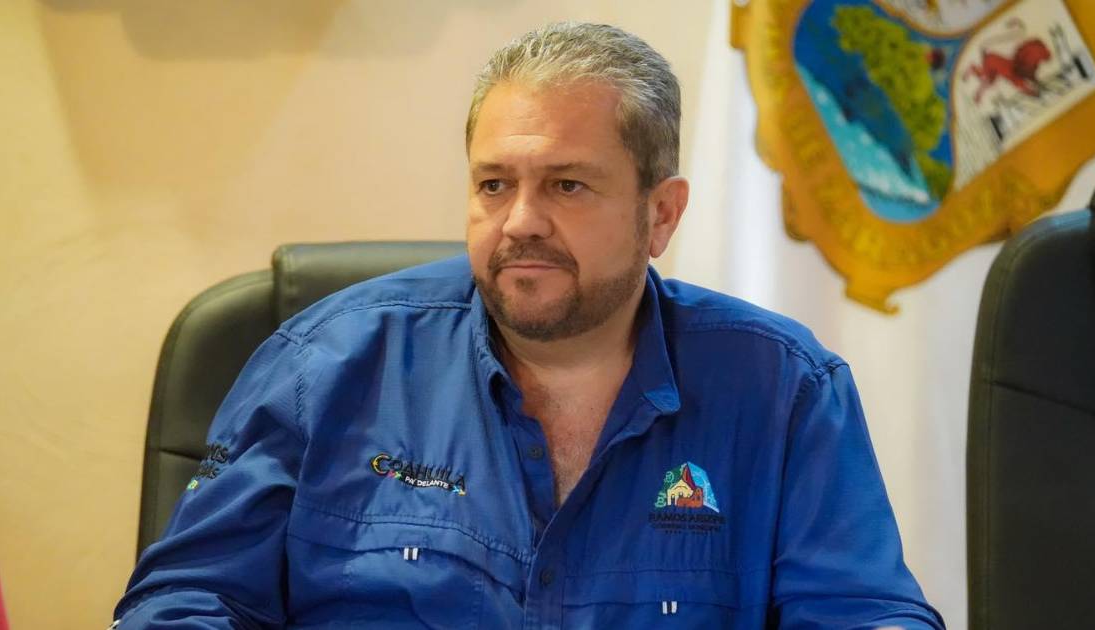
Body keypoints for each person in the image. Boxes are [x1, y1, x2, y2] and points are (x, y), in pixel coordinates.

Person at [113, 22, 943, 629]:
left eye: (567, 186)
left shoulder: (785, 391)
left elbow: (861, 611)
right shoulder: (321, 367)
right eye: (494, 185)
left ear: (660, 214)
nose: (519, 222)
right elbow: (188, 600)